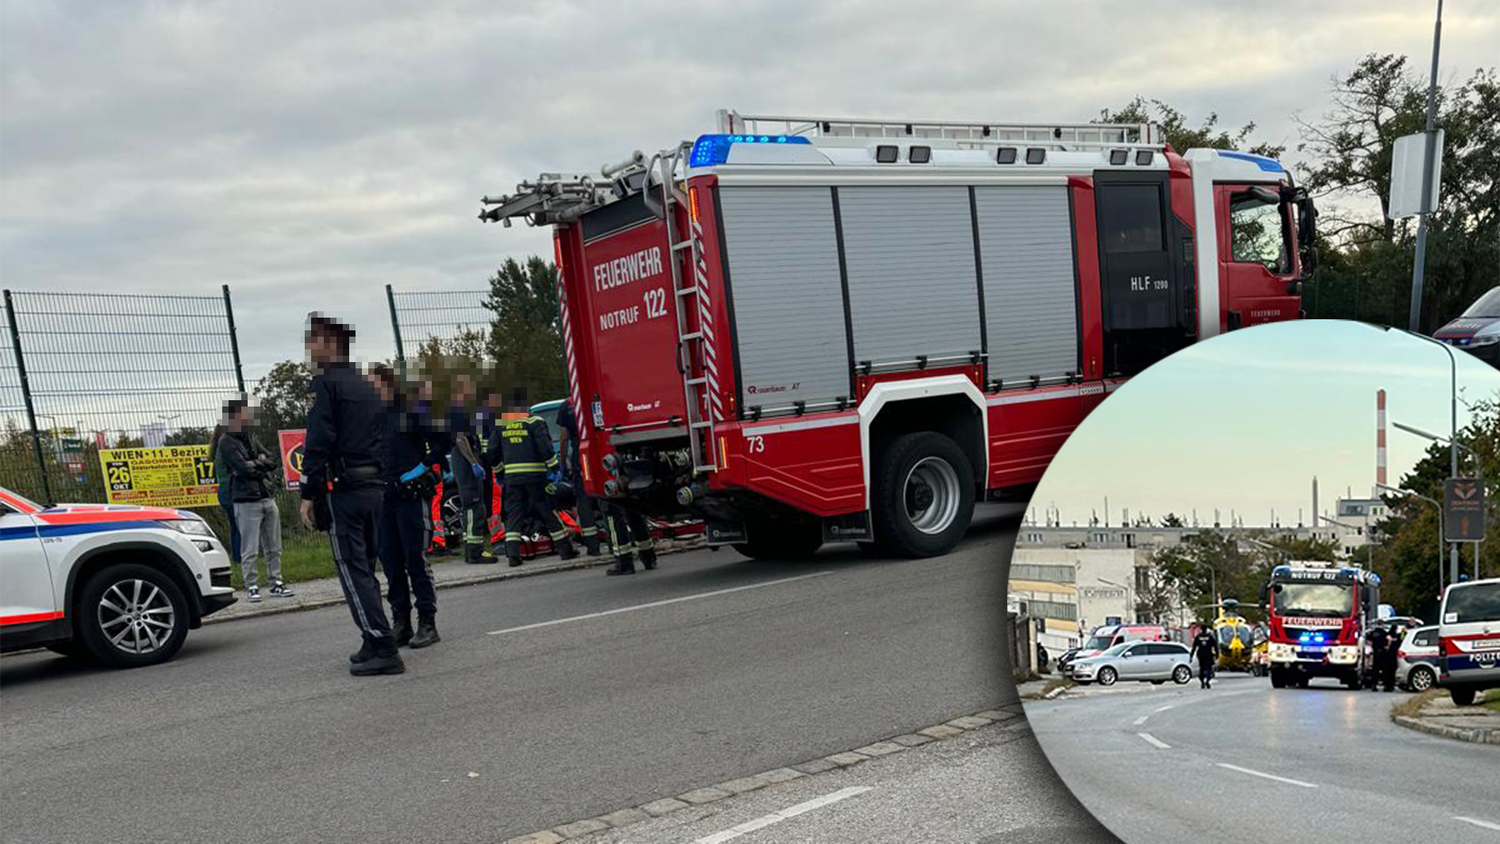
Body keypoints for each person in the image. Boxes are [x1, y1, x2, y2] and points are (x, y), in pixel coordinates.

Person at [297, 314, 402, 677]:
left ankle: (383, 644)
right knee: (367, 569)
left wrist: (308, 492)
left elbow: (319, 440)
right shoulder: (364, 383)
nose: (309, 349)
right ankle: (372, 639)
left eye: (312, 341)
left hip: (346, 489)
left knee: (353, 571)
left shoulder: (327, 385)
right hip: (374, 487)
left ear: (330, 344)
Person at [370, 364, 444, 650]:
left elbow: (443, 442)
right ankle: (401, 622)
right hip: (382, 499)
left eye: (374, 384)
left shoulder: (412, 410)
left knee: (415, 559)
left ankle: (428, 622)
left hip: (410, 496)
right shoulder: (372, 417)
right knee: (390, 563)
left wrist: (421, 468)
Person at [490, 389, 577, 567]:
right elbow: (545, 447)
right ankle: (565, 551)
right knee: (547, 511)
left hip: (513, 479)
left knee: (513, 515)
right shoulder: (534, 421)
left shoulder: (501, 425)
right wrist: (554, 468)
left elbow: (491, 452)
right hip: (535, 477)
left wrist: (499, 473)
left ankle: (513, 556)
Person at [220, 399, 293, 603]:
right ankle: (251, 585)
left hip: (266, 495)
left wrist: (259, 463)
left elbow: (272, 461)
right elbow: (242, 469)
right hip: (245, 499)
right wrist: (258, 463)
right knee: (250, 547)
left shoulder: (251, 437)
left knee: (274, 545)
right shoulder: (226, 441)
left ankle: (276, 582)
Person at [447, 372, 494, 565]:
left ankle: (471, 550)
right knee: (475, 508)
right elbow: (460, 439)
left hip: (464, 464)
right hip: (466, 464)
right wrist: (474, 463)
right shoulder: (457, 410)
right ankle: (475, 552)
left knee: (470, 509)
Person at [555, 399, 601, 556]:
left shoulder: (566, 406)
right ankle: (616, 541)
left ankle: (593, 547)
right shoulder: (595, 399)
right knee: (607, 499)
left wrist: (562, 463)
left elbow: (563, 438)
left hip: (581, 458)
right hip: (600, 453)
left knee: (584, 501)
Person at [208, 421, 242, 575]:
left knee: (235, 526)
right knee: (241, 526)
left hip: (223, 492)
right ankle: (241, 557)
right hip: (233, 490)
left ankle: (237, 557)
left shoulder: (215, 451)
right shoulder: (227, 448)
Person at [601, 500, 655, 576]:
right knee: (634, 513)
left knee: (613, 518)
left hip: (609, 491)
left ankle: (624, 563)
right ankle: (649, 558)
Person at [1190, 624, 1218, 689]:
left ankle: (1202, 682)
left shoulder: (1198, 637)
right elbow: (1215, 646)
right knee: (1209, 669)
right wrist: (1217, 655)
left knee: (1202, 669)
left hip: (1201, 655)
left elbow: (1194, 647)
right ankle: (1207, 681)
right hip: (1208, 655)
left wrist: (1191, 655)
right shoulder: (1210, 637)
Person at [1367, 625, 1394, 692]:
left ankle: (1374, 685)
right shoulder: (1384, 632)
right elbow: (1389, 639)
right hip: (1383, 652)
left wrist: (1372, 646)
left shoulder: (1373, 633)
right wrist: (1388, 646)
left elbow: (1368, 640)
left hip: (1375, 652)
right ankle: (1385, 685)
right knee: (1384, 669)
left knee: (1375, 669)